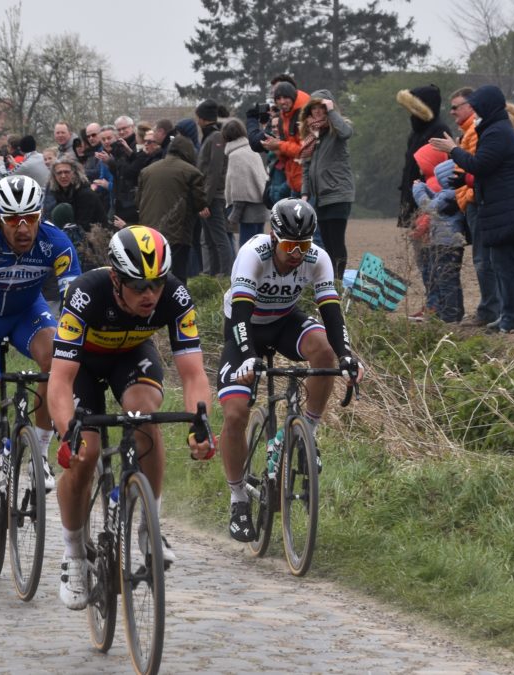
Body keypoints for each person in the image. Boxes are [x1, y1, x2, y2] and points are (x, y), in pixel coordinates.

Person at [47, 226, 214, 609]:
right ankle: (73, 554)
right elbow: (60, 379)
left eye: (156, 283)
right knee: (85, 456)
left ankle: (147, 527)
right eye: (138, 286)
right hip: (83, 367)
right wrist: (66, 430)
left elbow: (192, 373)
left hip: (130, 356)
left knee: (144, 416)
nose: (150, 295)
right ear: (115, 277)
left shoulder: (176, 295)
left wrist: (199, 422)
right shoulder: (85, 293)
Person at [216, 199, 362, 542]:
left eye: (304, 245)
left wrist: (347, 357)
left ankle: (307, 428)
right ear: (273, 236)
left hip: (283, 322)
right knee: (236, 413)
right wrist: (249, 357)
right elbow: (239, 316)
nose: (297, 253)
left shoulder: (317, 258)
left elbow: (331, 313)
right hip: (245, 328)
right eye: (290, 245)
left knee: (325, 351)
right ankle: (238, 499)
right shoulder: (254, 253)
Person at [0, 175, 81, 553]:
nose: (23, 228)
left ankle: (39, 450)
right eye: (12, 219)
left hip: (26, 314)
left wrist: (83, 350)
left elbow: (75, 305)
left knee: (57, 355)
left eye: (31, 217)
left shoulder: (56, 242)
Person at [430, 85, 514, 334]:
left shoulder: (497, 132)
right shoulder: (496, 129)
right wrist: (465, 180)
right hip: (508, 208)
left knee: (508, 266)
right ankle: (509, 316)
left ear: (488, 106)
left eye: (477, 105)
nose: (475, 110)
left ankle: (513, 320)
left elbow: (481, 165)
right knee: (506, 264)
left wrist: (453, 150)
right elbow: (492, 169)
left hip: (510, 209)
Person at [448, 87, 498, 328]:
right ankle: (491, 308)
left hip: (475, 201)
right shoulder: (466, 131)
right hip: (468, 200)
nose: (452, 111)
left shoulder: (475, 131)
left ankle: (490, 310)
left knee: (483, 258)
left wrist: (467, 194)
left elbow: (477, 166)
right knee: (482, 257)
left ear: (470, 106)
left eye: (456, 106)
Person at [299, 90, 355, 280]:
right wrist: (305, 193)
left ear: (328, 108)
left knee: (336, 243)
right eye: (313, 108)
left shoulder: (337, 130)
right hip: (319, 198)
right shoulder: (311, 136)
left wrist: (332, 112)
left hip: (338, 193)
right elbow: (306, 167)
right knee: (327, 245)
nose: (317, 112)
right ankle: (329, 282)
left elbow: (347, 133)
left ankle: (337, 283)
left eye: (321, 108)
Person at [136, 135, 207, 282]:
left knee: (153, 272)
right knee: (178, 274)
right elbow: (199, 203)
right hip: (178, 231)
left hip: (149, 231)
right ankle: (178, 303)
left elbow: (138, 201)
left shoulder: (147, 171)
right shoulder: (192, 172)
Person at [412, 154, 466, 323]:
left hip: (445, 244)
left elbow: (429, 207)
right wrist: (425, 188)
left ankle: (449, 315)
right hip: (452, 243)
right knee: (450, 278)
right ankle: (455, 312)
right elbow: (436, 197)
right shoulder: (451, 193)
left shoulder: (449, 195)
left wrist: (418, 190)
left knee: (445, 280)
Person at [396, 85, 450, 231]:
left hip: (429, 196)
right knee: (417, 244)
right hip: (413, 194)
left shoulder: (439, 130)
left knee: (429, 243)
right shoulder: (416, 133)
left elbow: (440, 168)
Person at [196, 99, 235, 277]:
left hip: (214, 197)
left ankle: (225, 275)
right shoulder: (210, 137)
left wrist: (205, 201)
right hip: (208, 197)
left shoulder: (216, 137)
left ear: (203, 118)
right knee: (210, 240)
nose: (197, 121)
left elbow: (214, 171)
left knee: (220, 239)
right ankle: (212, 275)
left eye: (198, 117)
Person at [222, 119, 268, 247]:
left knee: (246, 249)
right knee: (259, 249)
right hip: (261, 208)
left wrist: (234, 215)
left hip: (249, 212)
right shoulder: (251, 150)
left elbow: (240, 189)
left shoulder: (236, 155)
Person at [42, 155, 107, 236]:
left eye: (66, 172)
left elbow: (84, 226)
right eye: (59, 173)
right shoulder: (58, 192)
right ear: (54, 176)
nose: (63, 176)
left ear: (74, 173)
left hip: (95, 236)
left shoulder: (85, 194)